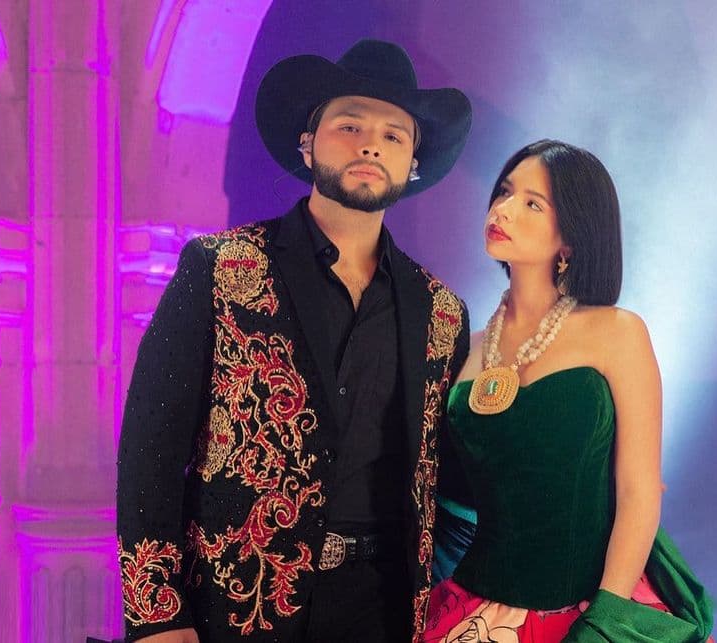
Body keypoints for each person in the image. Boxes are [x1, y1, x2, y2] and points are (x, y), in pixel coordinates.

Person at [116, 39, 473, 642]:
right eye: (350, 125)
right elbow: (150, 448)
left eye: (393, 135)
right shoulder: (221, 268)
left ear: (412, 162)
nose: (370, 145)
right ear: (307, 144)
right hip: (237, 605)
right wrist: (157, 617)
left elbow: (447, 482)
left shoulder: (441, 313)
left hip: (383, 610)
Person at [424, 140, 714, 642]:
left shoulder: (618, 332)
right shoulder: (465, 344)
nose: (503, 209)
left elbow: (639, 492)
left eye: (532, 203)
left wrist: (605, 621)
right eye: (504, 192)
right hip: (473, 607)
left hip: (592, 606)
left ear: (570, 240)